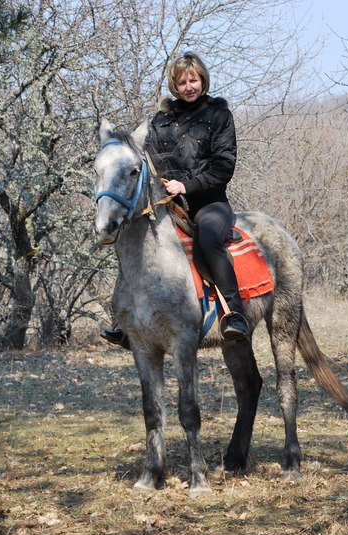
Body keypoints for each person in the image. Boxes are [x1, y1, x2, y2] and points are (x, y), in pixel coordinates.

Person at [102, 52, 249, 347]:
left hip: (209, 203)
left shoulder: (220, 116)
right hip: (167, 203)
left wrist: (187, 186)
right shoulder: (162, 119)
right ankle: (126, 320)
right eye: (182, 82)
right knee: (132, 238)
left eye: (193, 80)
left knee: (209, 237)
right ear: (174, 85)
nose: (188, 87)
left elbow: (223, 167)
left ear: (203, 80)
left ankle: (235, 314)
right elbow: (147, 156)